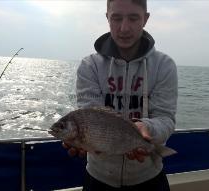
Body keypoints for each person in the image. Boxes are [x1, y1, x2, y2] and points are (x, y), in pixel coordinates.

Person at [63, 0, 178, 190]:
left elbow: (166, 119)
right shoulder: (89, 66)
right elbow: (89, 117)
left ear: (146, 19)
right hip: (98, 178)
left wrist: (146, 128)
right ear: (107, 17)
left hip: (149, 177)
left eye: (133, 18)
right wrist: (82, 140)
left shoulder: (164, 65)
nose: (124, 28)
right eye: (116, 18)